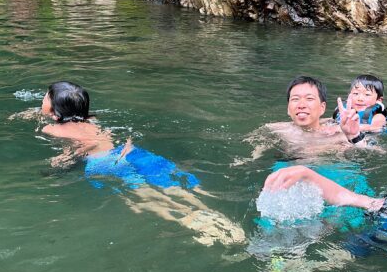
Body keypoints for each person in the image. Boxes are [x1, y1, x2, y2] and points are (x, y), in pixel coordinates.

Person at [14, 81, 245, 246]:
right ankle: (212, 214)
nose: (42, 98)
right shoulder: (93, 120)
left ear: (55, 114)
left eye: (45, 97)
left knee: (145, 196)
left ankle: (193, 223)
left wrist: (54, 168)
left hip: (104, 163)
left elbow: (69, 153)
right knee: (173, 186)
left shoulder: (51, 129)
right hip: (128, 152)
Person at [239, 76, 369, 163]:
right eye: (295, 99)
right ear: (288, 109)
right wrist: (253, 157)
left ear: (322, 108)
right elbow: (256, 143)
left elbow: (369, 155)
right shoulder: (276, 129)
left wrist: (354, 136)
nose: (301, 105)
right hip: (286, 171)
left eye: (309, 99)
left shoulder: (339, 135)